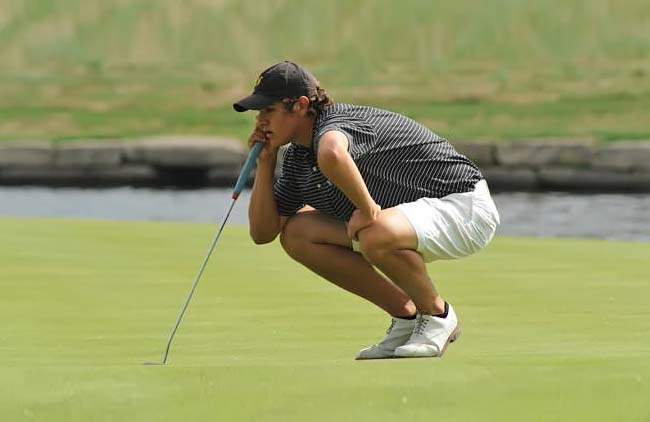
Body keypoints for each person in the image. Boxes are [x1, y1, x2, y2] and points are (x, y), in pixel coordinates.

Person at [233, 61, 500, 359]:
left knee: (374, 231)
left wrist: (368, 209)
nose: (260, 121)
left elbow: (333, 153)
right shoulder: (297, 157)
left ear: (301, 105)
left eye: (268, 111)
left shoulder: (337, 124)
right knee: (297, 233)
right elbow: (263, 232)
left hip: (463, 206)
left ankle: (438, 315)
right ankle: (406, 318)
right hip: (409, 220)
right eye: (258, 113)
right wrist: (266, 163)